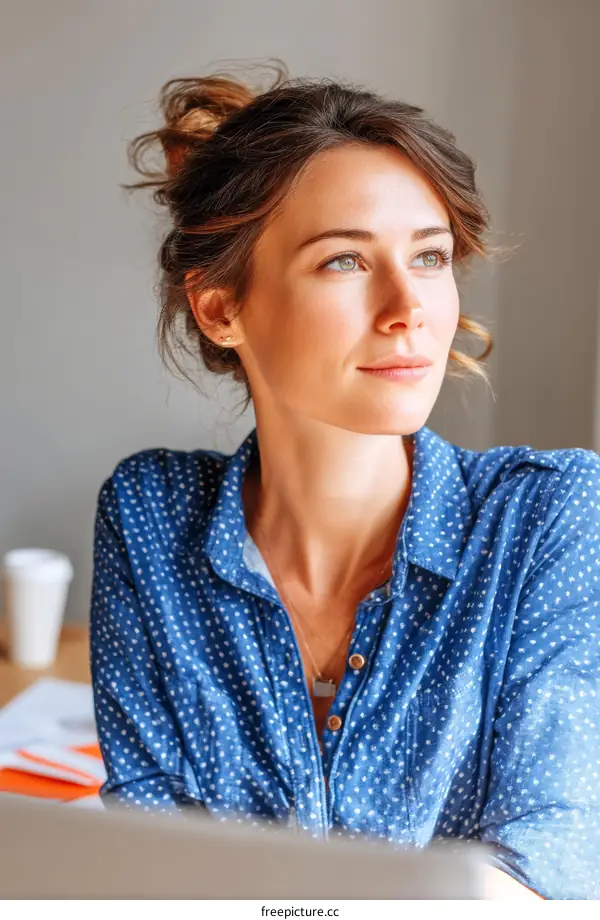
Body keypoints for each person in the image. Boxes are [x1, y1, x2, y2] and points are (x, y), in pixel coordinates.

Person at [90, 61, 600, 900]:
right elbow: (150, 858)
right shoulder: (150, 517)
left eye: (430, 257)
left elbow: (555, 855)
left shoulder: (547, 516)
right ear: (222, 308)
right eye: (344, 263)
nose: (410, 308)